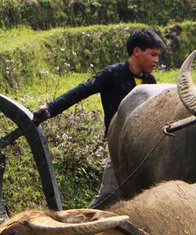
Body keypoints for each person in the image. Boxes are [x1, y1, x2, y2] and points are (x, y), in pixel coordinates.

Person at [33, 28, 165, 207]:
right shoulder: (113, 75)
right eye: (153, 54)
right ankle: (85, 222)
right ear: (136, 51)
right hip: (120, 145)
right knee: (110, 193)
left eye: (157, 56)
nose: (156, 60)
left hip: (143, 145)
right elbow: (82, 90)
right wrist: (51, 107)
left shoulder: (151, 82)